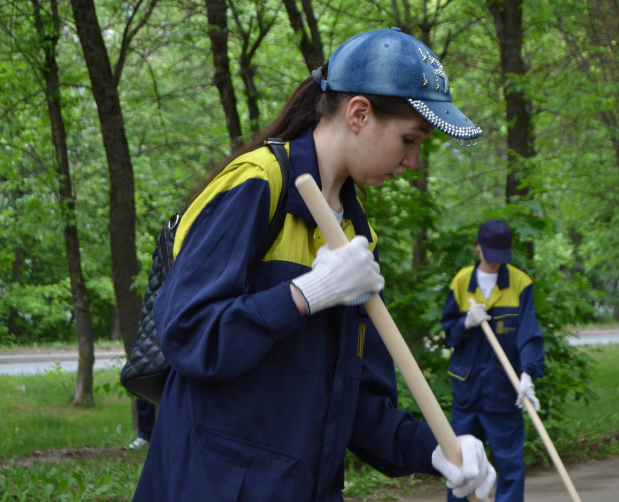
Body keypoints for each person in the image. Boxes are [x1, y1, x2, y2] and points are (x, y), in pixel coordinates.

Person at [133, 27, 495, 501]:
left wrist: (435, 450)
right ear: (359, 113)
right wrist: (306, 294)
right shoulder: (256, 184)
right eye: (410, 138)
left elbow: (356, 402)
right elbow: (189, 334)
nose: (412, 161)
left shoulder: (357, 237)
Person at [441, 219, 545, 502]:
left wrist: (527, 375)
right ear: (477, 248)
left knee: (509, 466)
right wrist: (465, 323)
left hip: (503, 390)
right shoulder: (462, 282)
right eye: (490, 254)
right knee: (460, 467)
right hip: (468, 390)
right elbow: (449, 334)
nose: (496, 262)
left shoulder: (520, 283)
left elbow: (528, 334)